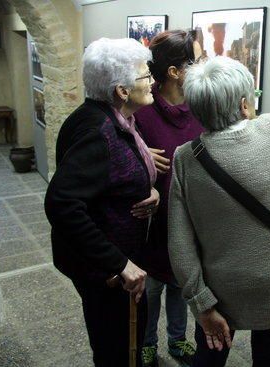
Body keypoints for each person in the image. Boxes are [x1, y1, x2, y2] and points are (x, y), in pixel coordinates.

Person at [167, 43, 270, 366]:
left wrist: (202, 304)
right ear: (245, 105)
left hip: (220, 287)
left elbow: (179, 242)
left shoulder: (185, 159)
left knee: (210, 354)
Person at [45, 38, 159, 367]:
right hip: (106, 273)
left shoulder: (114, 120)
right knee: (117, 350)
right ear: (122, 91)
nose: (151, 81)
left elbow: (115, 178)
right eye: (144, 76)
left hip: (113, 264)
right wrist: (118, 263)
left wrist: (149, 192)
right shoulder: (98, 131)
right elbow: (62, 203)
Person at [134, 30, 204, 367]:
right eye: (196, 61)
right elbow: (113, 143)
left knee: (181, 284)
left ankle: (177, 340)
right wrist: (138, 150)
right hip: (150, 220)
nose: (201, 67)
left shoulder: (199, 106)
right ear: (174, 71)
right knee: (149, 291)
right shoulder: (142, 109)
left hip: (187, 217)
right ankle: (146, 343)